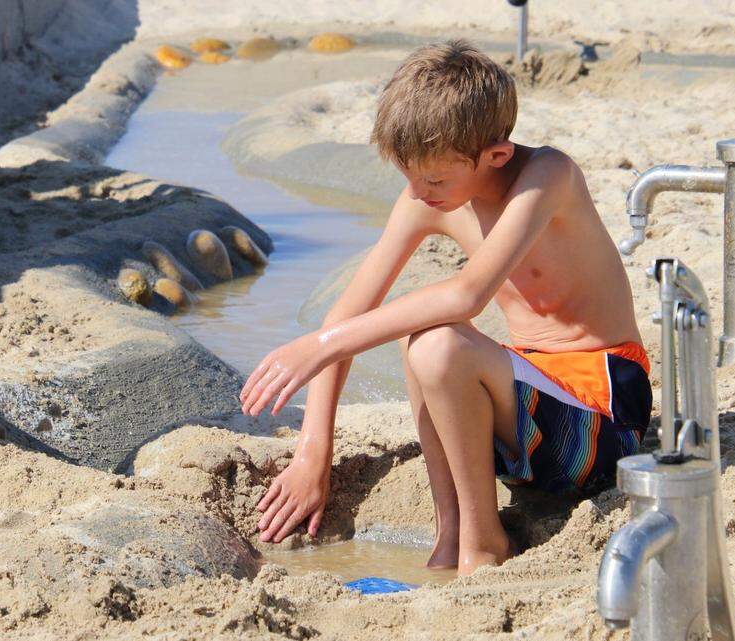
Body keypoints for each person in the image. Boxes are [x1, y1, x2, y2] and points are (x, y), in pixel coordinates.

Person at [238, 40, 651, 575]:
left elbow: (467, 295)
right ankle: (451, 530)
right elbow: (344, 315)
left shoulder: (549, 175)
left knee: (437, 340)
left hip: (603, 419)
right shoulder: (426, 197)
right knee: (428, 338)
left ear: (495, 156)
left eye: (434, 179)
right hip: (526, 413)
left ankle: (484, 548)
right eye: (408, 176)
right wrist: (313, 451)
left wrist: (318, 347)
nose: (418, 192)